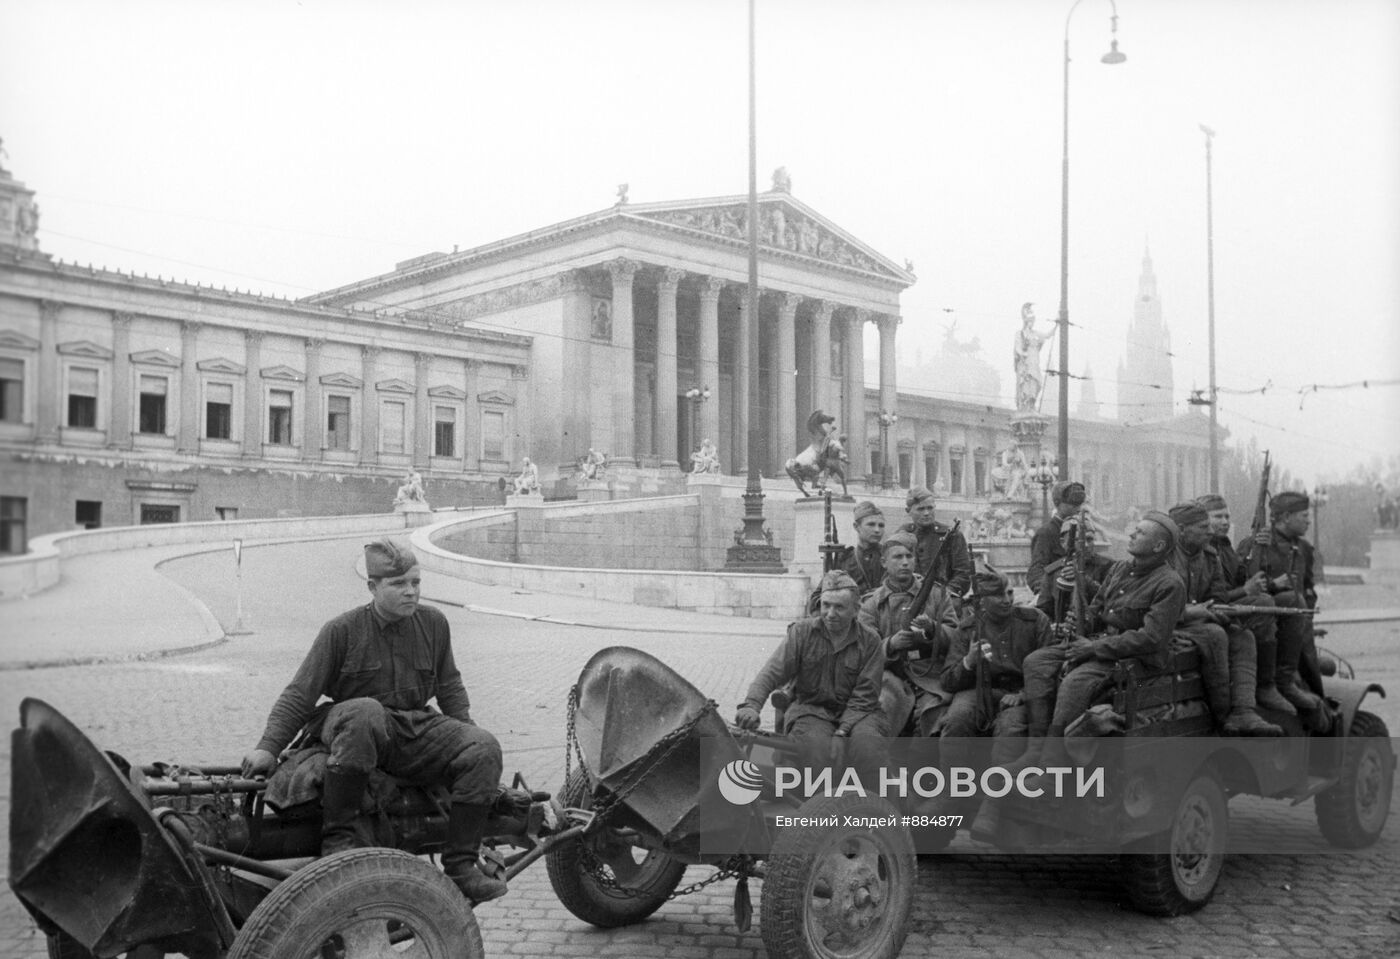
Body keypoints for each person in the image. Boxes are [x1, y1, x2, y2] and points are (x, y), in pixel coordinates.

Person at [241, 539, 508, 904]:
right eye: (398, 585)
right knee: (365, 711)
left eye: (416, 582)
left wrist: (468, 739)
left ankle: (461, 865)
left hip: (410, 729)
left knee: (484, 746)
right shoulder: (342, 630)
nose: (411, 592)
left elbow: (450, 687)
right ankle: (339, 840)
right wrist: (267, 748)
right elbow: (300, 694)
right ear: (372, 587)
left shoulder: (434, 624)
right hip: (352, 727)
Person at [1018, 513, 1186, 771]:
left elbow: (1151, 638)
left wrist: (1093, 647)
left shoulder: (1169, 583)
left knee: (1074, 683)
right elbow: (1096, 609)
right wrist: (1079, 619)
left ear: (1159, 546)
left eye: (1140, 532)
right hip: (1100, 646)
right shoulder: (1120, 569)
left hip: (1136, 663)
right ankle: (1037, 749)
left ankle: (1052, 768)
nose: (1131, 534)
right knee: (1036, 662)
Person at [735, 570, 888, 783]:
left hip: (860, 714)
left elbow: (865, 696)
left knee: (869, 750)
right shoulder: (802, 632)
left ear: (856, 610)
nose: (830, 613)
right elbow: (772, 671)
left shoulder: (870, 641)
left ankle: (877, 809)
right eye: (826, 605)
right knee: (817, 752)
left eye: (839, 607)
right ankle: (820, 810)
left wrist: (842, 732)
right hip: (811, 710)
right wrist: (752, 705)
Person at [934, 569, 1054, 825]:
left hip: (1021, 693)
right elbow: (948, 680)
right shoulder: (968, 629)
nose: (1007, 599)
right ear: (980, 602)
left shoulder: (1034, 621)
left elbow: (1050, 668)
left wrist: (1023, 694)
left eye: (1009, 592)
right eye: (998, 595)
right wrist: (968, 661)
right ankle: (951, 795)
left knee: (1010, 729)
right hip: (978, 691)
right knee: (956, 720)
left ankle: (994, 803)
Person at [1166, 502, 1282, 735]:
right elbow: (1156, 605)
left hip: (1199, 623)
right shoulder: (1164, 557)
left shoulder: (1210, 557)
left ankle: (1243, 711)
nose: (1210, 531)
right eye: (1203, 527)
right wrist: (1194, 612)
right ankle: (1222, 716)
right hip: (1171, 625)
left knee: (1243, 636)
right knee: (1215, 635)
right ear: (1181, 529)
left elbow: (1218, 597)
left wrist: (1224, 614)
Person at [1196, 493, 1294, 716]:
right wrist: (1246, 591)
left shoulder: (1224, 546)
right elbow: (1212, 598)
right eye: (1217, 516)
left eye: (1227, 516)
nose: (1224, 521)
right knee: (1265, 604)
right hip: (1208, 614)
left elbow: (1244, 575)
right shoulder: (1201, 551)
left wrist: (1258, 546)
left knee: (1286, 601)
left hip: (1226, 606)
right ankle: (1265, 684)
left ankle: (1280, 677)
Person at [1239, 490, 1330, 726]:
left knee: (1314, 690)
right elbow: (1243, 586)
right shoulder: (1255, 545)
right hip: (1269, 633)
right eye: (1303, 515)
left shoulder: (1304, 549)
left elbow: (1308, 589)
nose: (1308, 520)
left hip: (1297, 630)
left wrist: (1306, 619)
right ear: (1286, 517)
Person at [858, 532, 959, 736]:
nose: (905, 562)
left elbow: (956, 637)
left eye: (909, 556)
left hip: (930, 675)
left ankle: (920, 766)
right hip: (889, 675)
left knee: (932, 714)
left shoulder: (936, 594)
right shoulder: (871, 604)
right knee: (881, 708)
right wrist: (890, 645)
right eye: (897, 557)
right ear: (884, 562)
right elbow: (862, 650)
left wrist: (932, 628)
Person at [900, 486, 973, 599]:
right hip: (909, 599)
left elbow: (963, 574)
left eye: (930, 508)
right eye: (920, 509)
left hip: (944, 602)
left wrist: (943, 596)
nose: (926, 513)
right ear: (908, 511)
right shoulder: (901, 535)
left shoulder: (951, 536)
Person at [1026, 480, 1086, 597]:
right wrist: (1046, 596)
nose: (1078, 509)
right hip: (1057, 595)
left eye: (1080, 504)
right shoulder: (1046, 533)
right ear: (1059, 503)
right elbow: (1036, 572)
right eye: (1073, 505)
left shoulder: (1082, 528)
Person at [1012, 302, 1055, 411]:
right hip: (1025, 363)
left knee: (1036, 383)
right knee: (1027, 383)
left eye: (1033, 321)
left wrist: (1057, 323)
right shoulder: (1020, 334)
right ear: (1025, 321)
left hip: (1034, 362)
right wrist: (1023, 354)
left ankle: (1031, 405)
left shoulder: (1036, 334)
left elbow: (1048, 335)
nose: (1032, 323)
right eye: (1030, 321)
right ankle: (1026, 405)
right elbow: (1017, 348)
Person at [841, 501, 887, 595]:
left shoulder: (890, 555)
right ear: (856, 527)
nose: (877, 530)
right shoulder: (845, 559)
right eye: (871, 524)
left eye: (881, 525)